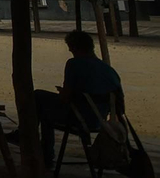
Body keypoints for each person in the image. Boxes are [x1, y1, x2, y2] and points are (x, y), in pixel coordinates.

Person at [20, 29, 124, 167]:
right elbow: (120, 105)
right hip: (100, 120)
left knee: (39, 99)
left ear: (74, 48)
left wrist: (64, 93)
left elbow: (65, 98)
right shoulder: (109, 71)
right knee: (43, 105)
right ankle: (42, 152)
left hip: (79, 117)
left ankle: (37, 147)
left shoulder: (74, 64)